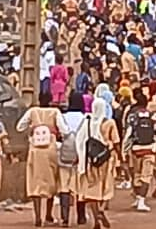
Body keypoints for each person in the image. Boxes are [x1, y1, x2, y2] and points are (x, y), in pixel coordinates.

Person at [17, 92, 69, 226]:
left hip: (35, 151)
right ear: (51, 100)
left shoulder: (32, 111)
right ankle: (48, 215)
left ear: (38, 100)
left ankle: (37, 217)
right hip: (50, 150)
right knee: (51, 181)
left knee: (35, 183)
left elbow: (19, 127)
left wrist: (31, 130)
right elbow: (64, 130)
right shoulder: (55, 112)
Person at [77, 98, 119, 229]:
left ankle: (96, 218)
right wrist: (121, 157)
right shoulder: (110, 123)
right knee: (106, 187)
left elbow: (80, 141)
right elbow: (116, 142)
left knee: (92, 191)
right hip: (106, 159)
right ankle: (101, 209)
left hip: (91, 160)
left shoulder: (87, 122)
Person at [122, 90, 156, 212]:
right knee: (146, 176)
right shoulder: (153, 116)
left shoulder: (133, 117)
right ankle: (142, 201)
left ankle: (138, 198)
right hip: (149, 149)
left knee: (136, 175)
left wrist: (124, 150)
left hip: (136, 149)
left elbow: (128, 135)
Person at [59, 92, 88, 226]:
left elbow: (61, 133)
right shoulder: (86, 118)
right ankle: (81, 216)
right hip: (80, 155)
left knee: (64, 185)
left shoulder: (62, 117)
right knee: (80, 186)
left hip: (65, 154)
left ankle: (65, 218)